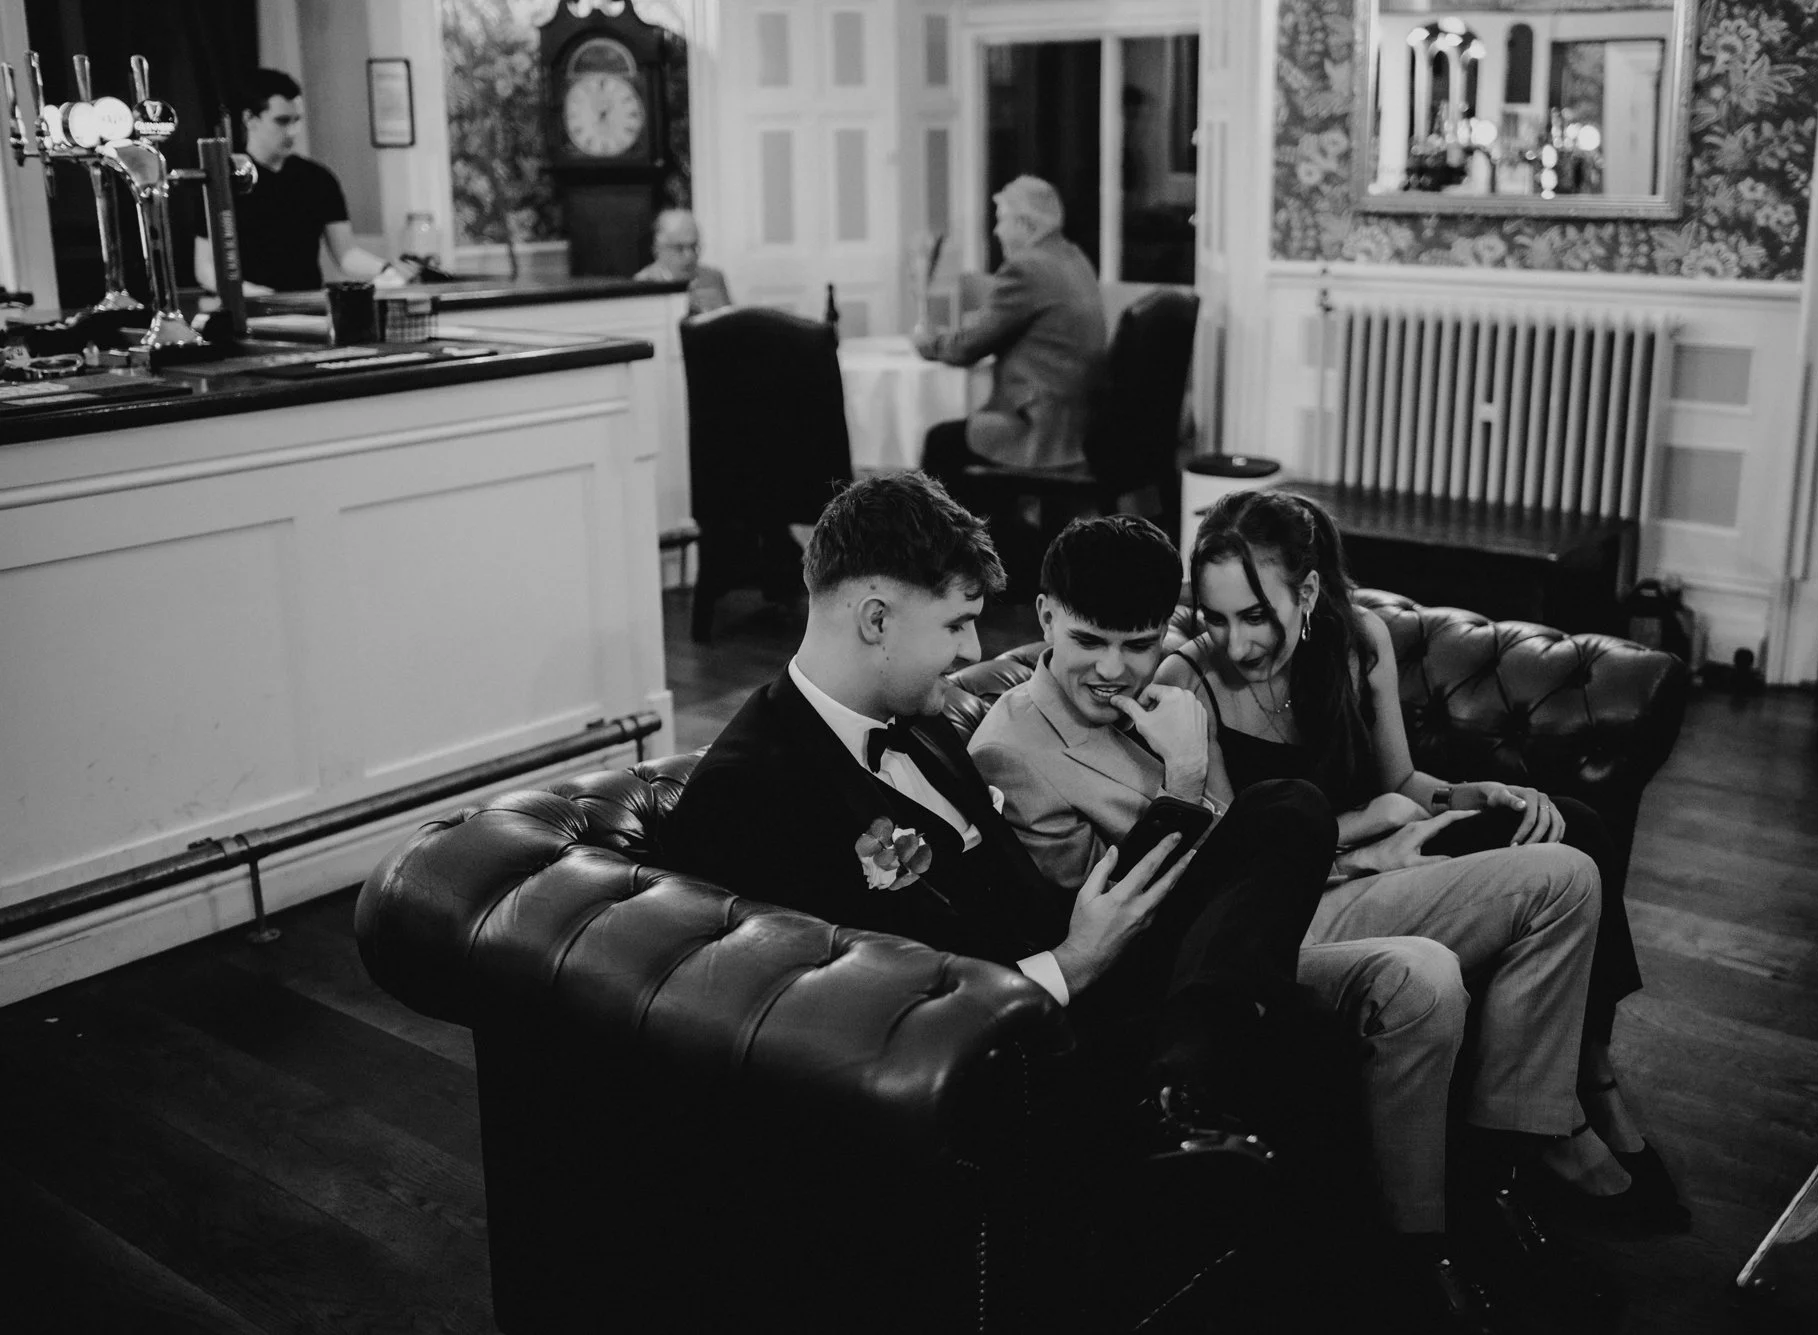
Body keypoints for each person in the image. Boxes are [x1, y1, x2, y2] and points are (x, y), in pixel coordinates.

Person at [971, 514, 1617, 1332]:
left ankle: (1483, 1193)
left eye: (1137, 642)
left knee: (1566, 865)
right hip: (1190, 964)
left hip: (1279, 918)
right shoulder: (1014, 747)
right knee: (1421, 973)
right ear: (1043, 619)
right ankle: (1418, 1254)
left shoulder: (1168, 698)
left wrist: (1394, 829)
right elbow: (1116, 923)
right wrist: (1187, 768)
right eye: (1090, 640)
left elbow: (1267, 831)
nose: (1114, 668)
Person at [668, 472, 1330, 1168]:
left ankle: (1180, 1088)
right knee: (1297, 1026)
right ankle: (1176, 1090)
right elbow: (846, 1018)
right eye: (956, 624)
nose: (973, 652)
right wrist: (1072, 962)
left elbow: (1019, 898)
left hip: (1073, 971)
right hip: (995, 1048)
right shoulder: (748, 790)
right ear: (875, 619)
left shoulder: (923, 728)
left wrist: (1103, 914)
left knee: (1287, 810)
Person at [1163, 488, 1690, 1230]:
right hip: (1307, 897)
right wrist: (1370, 834)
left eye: (1256, 615)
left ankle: (1583, 1078)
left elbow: (1403, 783)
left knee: (1571, 825)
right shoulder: (1189, 681)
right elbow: (1233, 861)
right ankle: (1558, 1120)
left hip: (1386, 853)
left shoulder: (1357, 640)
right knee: (1553, 854)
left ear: (1308, 591)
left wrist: (1481, 793)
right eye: (1215, 617)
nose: (1238, 642)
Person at [915, 176, 1107, 489]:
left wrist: (928, 343)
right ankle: (993, 529)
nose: (996, 231)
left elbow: (965, 348)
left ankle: (951, 536)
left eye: (1001, 220)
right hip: (1078, 421)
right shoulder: (1074, 258)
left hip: (1042, 429)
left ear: (1025, 225)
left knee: (941, 443)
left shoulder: (1027, 268)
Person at [194, 69, 409, 295]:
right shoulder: (223, 179)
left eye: (297, 120)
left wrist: (386, 268)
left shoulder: (317, 178)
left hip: (308, 307)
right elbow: (205, 267)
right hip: (249, 309)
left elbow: (346, 254)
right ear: (250, 119)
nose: (292, 131)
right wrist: (252, 294)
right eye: (282, 121)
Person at [634, 208, 731, 314]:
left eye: (694, 247)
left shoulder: (713, 278)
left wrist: (721, 310)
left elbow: (735, 325)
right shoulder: (644, 283)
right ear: (658, 250)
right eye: (679, 248)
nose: (689, 256)